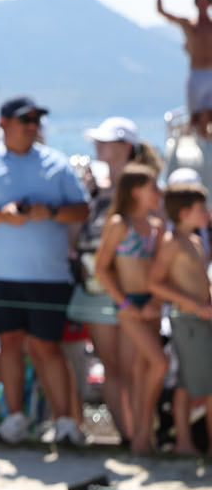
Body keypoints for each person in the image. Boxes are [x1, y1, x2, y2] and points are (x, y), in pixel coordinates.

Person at [0, 96, 91, 445]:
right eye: (24, 119)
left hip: (48, 275)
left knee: (48, 347)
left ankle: (65, 424)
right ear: (3, 123)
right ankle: (14, 419)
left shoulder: (56, 163)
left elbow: (82, 210)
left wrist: (52, 212)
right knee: (9, 345)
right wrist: (2, 215)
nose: (32, 125)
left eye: (36, 119)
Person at [71, 116, 158, 444]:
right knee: (113, 367)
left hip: (133, 290)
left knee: (136, 366)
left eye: (105, 141)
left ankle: (142, 434)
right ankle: (129, 436)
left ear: (124, 146)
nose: (97, 146)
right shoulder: (95, 188)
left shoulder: (144, 190)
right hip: (98, 287)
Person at [93, 165, 166, 454]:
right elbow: (101, 268)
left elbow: (159, 272)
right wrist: (123, 302)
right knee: (147, 367)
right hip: (129, 307)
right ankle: (139, 435)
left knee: (144, 370)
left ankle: (144, 435)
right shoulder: (119, 224)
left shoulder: (155, 226)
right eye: (154, 188)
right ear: (136, 192)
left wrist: (156, 302)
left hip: (150, 305)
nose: (159, 193)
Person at [148, 181, 212, 455]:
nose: (207, 213)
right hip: (187, 321)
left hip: (200, 319)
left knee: (186, 382)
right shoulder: (172, 243)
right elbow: (155, 283)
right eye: (201, 208)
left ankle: (186, 443)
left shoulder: (196, 240)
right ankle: (197, 444)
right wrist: (193, 304)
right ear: (184, 212)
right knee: (203, 384)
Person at [157, 0, 212, 138]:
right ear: (196, 4)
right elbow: (162, 12)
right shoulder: (189, 24)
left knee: (209, 113)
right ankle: (202, 143)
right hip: (196, 73)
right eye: (199, 1)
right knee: (195, 115)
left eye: (205, 1)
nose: (202, 4)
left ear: (209, 3)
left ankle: (207, 143)